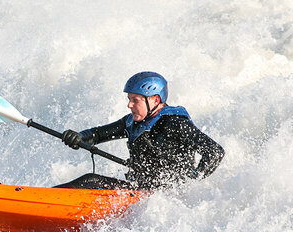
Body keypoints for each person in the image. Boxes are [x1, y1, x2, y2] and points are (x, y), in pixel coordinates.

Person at [53, 71, 225, 190]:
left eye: (135, 100)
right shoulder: (131, 122)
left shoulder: (175, 123)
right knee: (89, 181)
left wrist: (192, 181)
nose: (129, 105)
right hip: (138, 188)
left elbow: (215, 152)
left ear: (155, 99)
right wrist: (78, 137)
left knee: (90, 180)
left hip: (162, 197)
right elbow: (97, 134)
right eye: (129, 99)